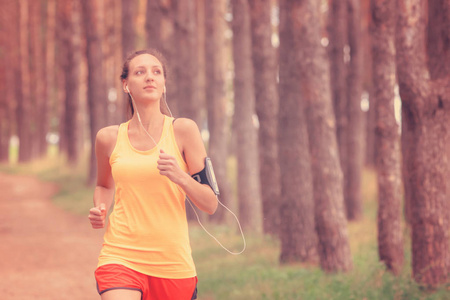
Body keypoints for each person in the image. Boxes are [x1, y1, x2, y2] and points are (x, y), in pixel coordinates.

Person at [88, 49, 218, 300]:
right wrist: (100, 209)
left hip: (172, 264)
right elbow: (104, 186)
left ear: (163, 84)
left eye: (156, 72)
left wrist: (180, 176)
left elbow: (210, 203)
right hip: (120, 255)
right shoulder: (108, 138)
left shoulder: (184, 130)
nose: (150, 77)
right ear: (126, 85)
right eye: (140, 72)